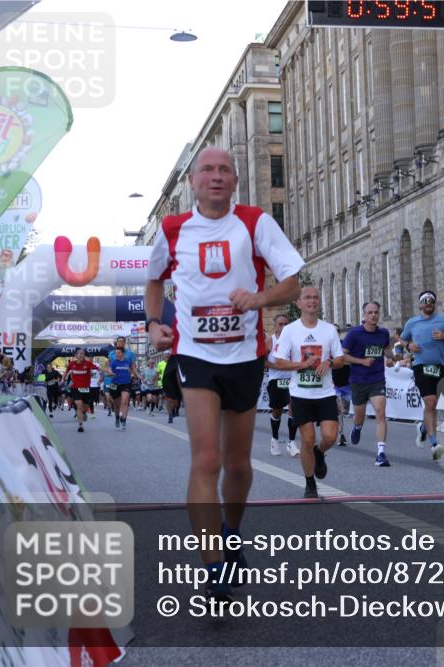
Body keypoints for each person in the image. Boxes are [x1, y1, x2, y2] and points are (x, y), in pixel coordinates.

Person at [144, 146, 304, 603]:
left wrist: (259, 299)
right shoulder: (173, 229)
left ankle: (232, 532)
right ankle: (212, 565)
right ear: (192, 182)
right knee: (206, 460)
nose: (216, 177)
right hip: (194, 354)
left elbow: (293, 279)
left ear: (235, 181)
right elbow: (154, 280)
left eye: (224, 171)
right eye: (207, 170)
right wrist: (154, 324)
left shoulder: (254, 222)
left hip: (244, 356)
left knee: (237, 465)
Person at [273, 287, 344, 499]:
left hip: (325, 393)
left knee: (330, 436)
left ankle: (319, 453)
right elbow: (279, 362)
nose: (312, 301)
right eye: (307, 298)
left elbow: (340, 360)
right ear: (299, 303)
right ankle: (310, 482)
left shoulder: (329, 329)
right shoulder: (290, 330)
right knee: (307, 438)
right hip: (301, 394)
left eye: (315, 297)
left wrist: (329, 361)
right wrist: (303, 364)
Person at [401, 290, 444, 461]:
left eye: (431, 301)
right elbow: (403, 339)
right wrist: (409, 346)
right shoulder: (412, 322)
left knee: (431, 406)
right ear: (420, 304)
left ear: (434, 304)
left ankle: (423, 429)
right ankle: (434, 444)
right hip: (421, 367)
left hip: (439, 367)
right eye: (425, 301)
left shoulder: (443, 321)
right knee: (430, 402)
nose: (428, 304)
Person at [343, 301, 392, 466]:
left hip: (377, 379)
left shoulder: (383, 333)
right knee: (359, 417)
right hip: (358, 380)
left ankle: (381, 453)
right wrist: (362, 361)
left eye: (376, 312)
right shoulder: (354, 334)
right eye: (370, 312)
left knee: (380, 413)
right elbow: (343, 356)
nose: (373, 315)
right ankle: (357, 427)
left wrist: (392, 358)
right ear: (364, 315)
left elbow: (387, 351)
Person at [264, 314, 294, 456]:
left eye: (286, 324)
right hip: (276, 380)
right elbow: (262, 360)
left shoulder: (293, 340)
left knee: (294, 406)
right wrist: (277, 366)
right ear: (275, 325)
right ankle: (274, 439)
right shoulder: (270, 341)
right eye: (280, 324)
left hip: (292, 379)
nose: (283, 327)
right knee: (277, 410)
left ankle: (292, 441)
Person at [63, 349, 97, 433]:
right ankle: (80, 425)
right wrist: (63, 379)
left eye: (83, 354)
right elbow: (66, 371)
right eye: (79, 354)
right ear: (76, 355)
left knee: (85, 407)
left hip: (86, 388)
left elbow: (98, 368)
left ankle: (84, 413)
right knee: (79, 405)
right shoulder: (72, 364)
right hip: (75, 388)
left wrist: (108, 371)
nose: (81, 355)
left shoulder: (88, 363)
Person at [106, 347, 139, 430]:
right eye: (116, 353)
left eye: (119, 353)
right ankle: (117, 417)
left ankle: (124, 420)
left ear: (123, 354)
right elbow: (109, 370)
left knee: (124, 401)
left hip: (126, 383)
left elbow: (134, 369)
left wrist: (138, 376)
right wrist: (111, 373)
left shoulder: (128, 361)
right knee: (117, 404)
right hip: (115, 384)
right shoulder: (113, 362)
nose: (117, 355)